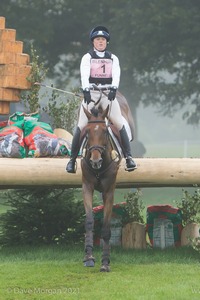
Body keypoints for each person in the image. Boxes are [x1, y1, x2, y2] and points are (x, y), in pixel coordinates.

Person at [66, 25, 137, 173]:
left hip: (107, 95)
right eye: (98, 39)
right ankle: (72, 161)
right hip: (91, 94)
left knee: (119, 123)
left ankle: (129, 158)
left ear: (107, 42)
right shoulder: (87, 57)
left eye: (103, 40)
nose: (100, 42)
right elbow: (84, 74)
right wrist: (86, 89)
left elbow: (116, 74)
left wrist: (114, 89)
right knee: (80, 126)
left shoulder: (113, 58)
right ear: (93, 42)